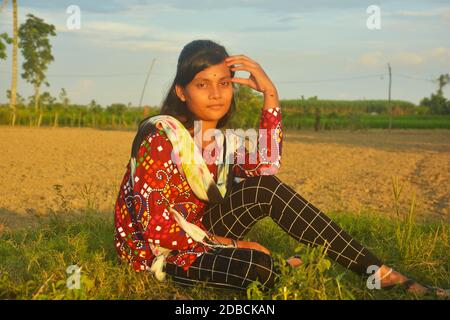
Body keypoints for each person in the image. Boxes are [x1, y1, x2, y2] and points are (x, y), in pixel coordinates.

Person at [114, 39, 447, 297]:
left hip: (203, 232)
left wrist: (270, 94)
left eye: (224, 83)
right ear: (181, 91)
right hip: (161, 252)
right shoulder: (161, 138)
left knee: (265, 189)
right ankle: (279, 268)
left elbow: (267, 165)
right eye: (202, 84)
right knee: (256, 266)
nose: (216, 94)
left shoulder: (222, 142)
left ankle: (379, 272)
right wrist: (238, 245)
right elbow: (158, 232)